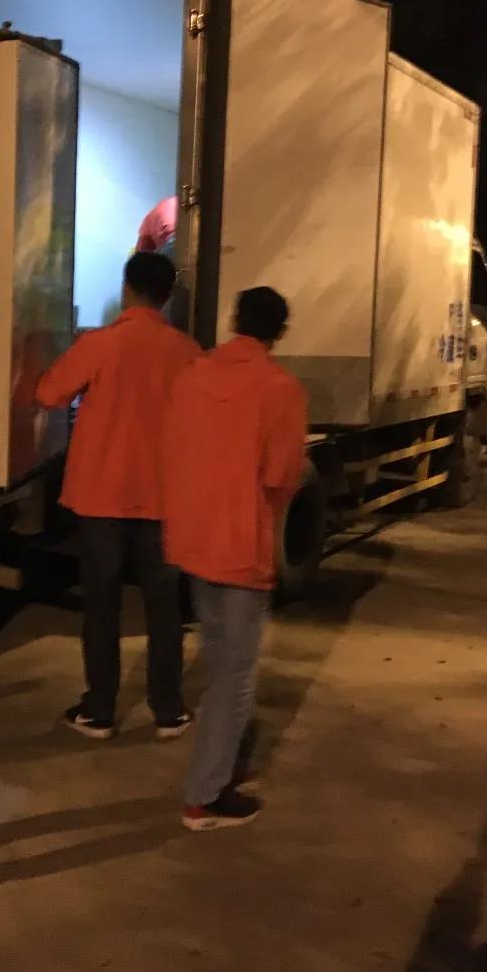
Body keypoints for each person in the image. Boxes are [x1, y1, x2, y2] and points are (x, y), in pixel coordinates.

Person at [36, 252, 200, 740]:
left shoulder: (101, 344)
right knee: (164, 606)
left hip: (101, 497)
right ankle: (168, 709)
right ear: (166, 296)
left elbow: (49, 394)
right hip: (164, 499)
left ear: (127, 289)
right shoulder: (188, 352)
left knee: (102, 604)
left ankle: (99, 710)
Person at [163, 286, 306, 830]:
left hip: (193, 540)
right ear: (279, 333)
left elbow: (173, 448)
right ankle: (205, 796)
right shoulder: (280, 389)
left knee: (216, 659)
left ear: (234, 321)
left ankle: (212, 767)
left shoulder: (193, 376)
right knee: (235, 677)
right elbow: (281, 476)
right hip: (242, 546)